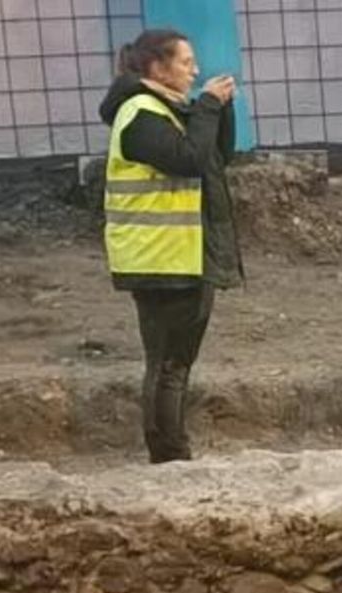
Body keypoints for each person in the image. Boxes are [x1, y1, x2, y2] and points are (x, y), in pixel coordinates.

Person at [99, 29, 242, 464]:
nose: (195, 70)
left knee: (176, 363)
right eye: (185, 62)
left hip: (184, 253)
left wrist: (220, 110)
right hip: (160, 258)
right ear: (157, 68)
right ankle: (169, 456)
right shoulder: (140, 114)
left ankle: (173, 453)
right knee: (167, 365)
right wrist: (209, 106)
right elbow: (188, 159)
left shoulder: (170, 109)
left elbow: (216, 157)